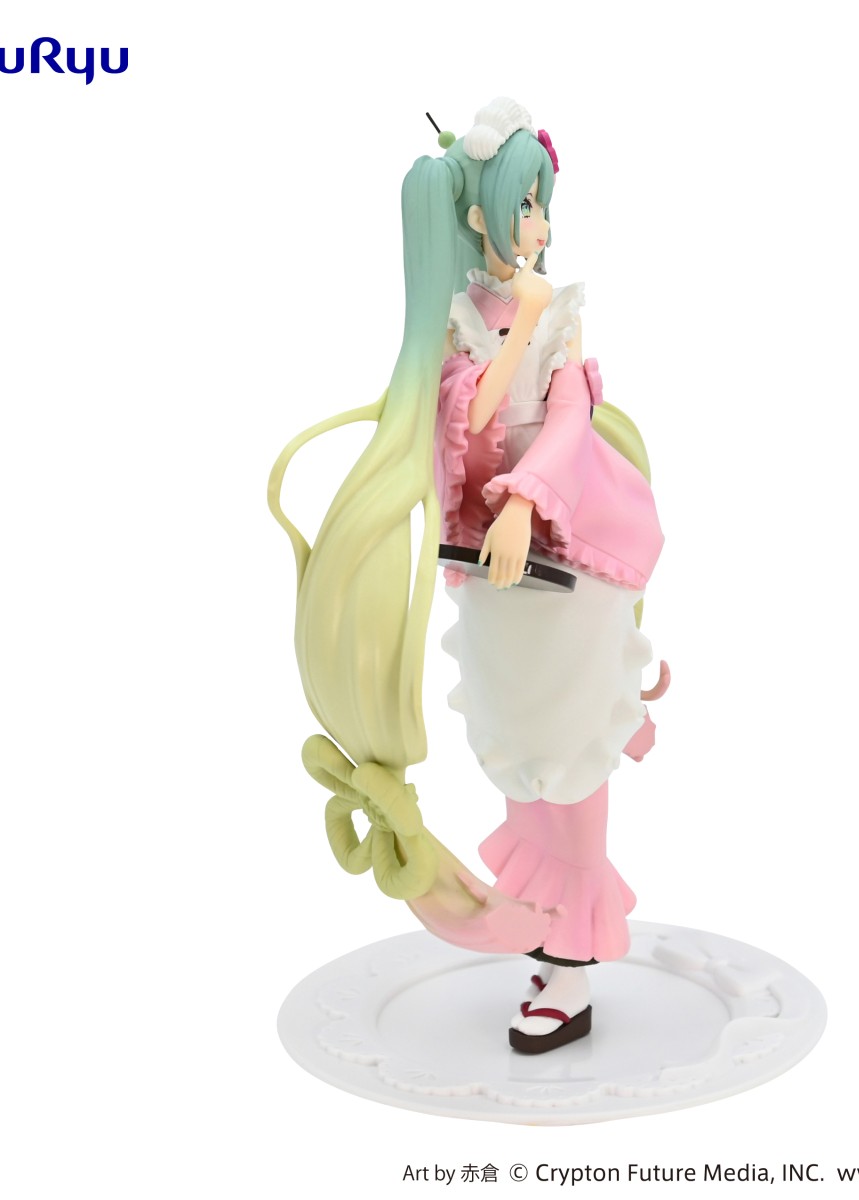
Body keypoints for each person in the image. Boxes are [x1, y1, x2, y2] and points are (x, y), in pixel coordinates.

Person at [269, 98, 665, 1053]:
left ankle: (572, 966)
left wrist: (528, 499)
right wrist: (515, 328)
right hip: (495, 575)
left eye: (543, 204)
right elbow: (472, 418)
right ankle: (547, 940)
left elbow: (567, 418)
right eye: (522, 204)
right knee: (521, 750)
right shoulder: (464, 321)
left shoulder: (559, 313)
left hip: (566, 552)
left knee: (570, 754)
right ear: (480, 217)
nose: (538, 223)